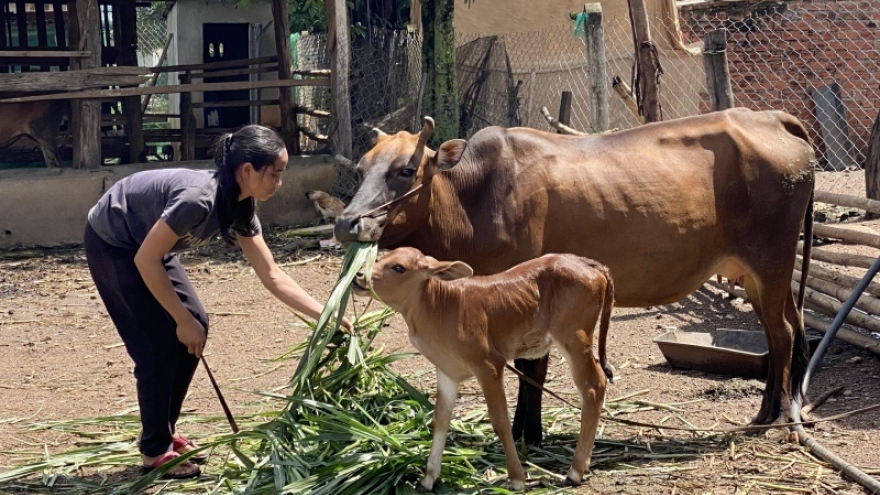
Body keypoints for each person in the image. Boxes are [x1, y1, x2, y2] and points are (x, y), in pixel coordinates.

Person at [84, 125, 349, 479]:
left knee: (199, 324)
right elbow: (145, 260)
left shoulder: (240, 206)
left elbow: (272, 274)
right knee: (159, 346)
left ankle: (165, 429)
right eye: (276, 173)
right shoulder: (198, 200)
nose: (280, 183)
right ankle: (153, 450)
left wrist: (326, 315)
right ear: (247, 171)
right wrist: (180, 319)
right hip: (115, 241)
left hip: (149, 245)